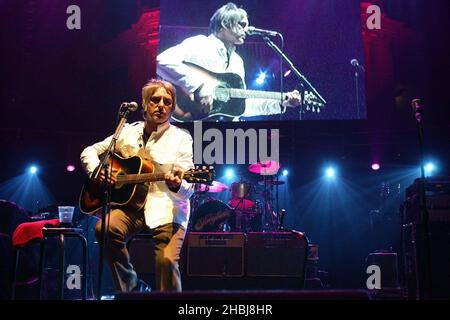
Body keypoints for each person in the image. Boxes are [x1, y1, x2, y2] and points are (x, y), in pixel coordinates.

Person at [80, 79, 194, 293]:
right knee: (105, 228)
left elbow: (188, 187)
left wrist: (178, 184)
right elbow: (89, 151)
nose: (161, 105)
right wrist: (98, 172)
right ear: (145, 103)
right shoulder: (126, 132)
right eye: (155, 100)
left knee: (167, 262)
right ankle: (133, 291)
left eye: (167, 102)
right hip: (131, 205)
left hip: (167, 209)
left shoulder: (181, 138)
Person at [157, 2, 302, 122]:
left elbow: (242, 105)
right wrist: (198, 87)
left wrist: (280, 102)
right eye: (241, 24)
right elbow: (162, 60)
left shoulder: (237, 62)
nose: (246, 30)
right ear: (224, 24)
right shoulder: (200, 44)